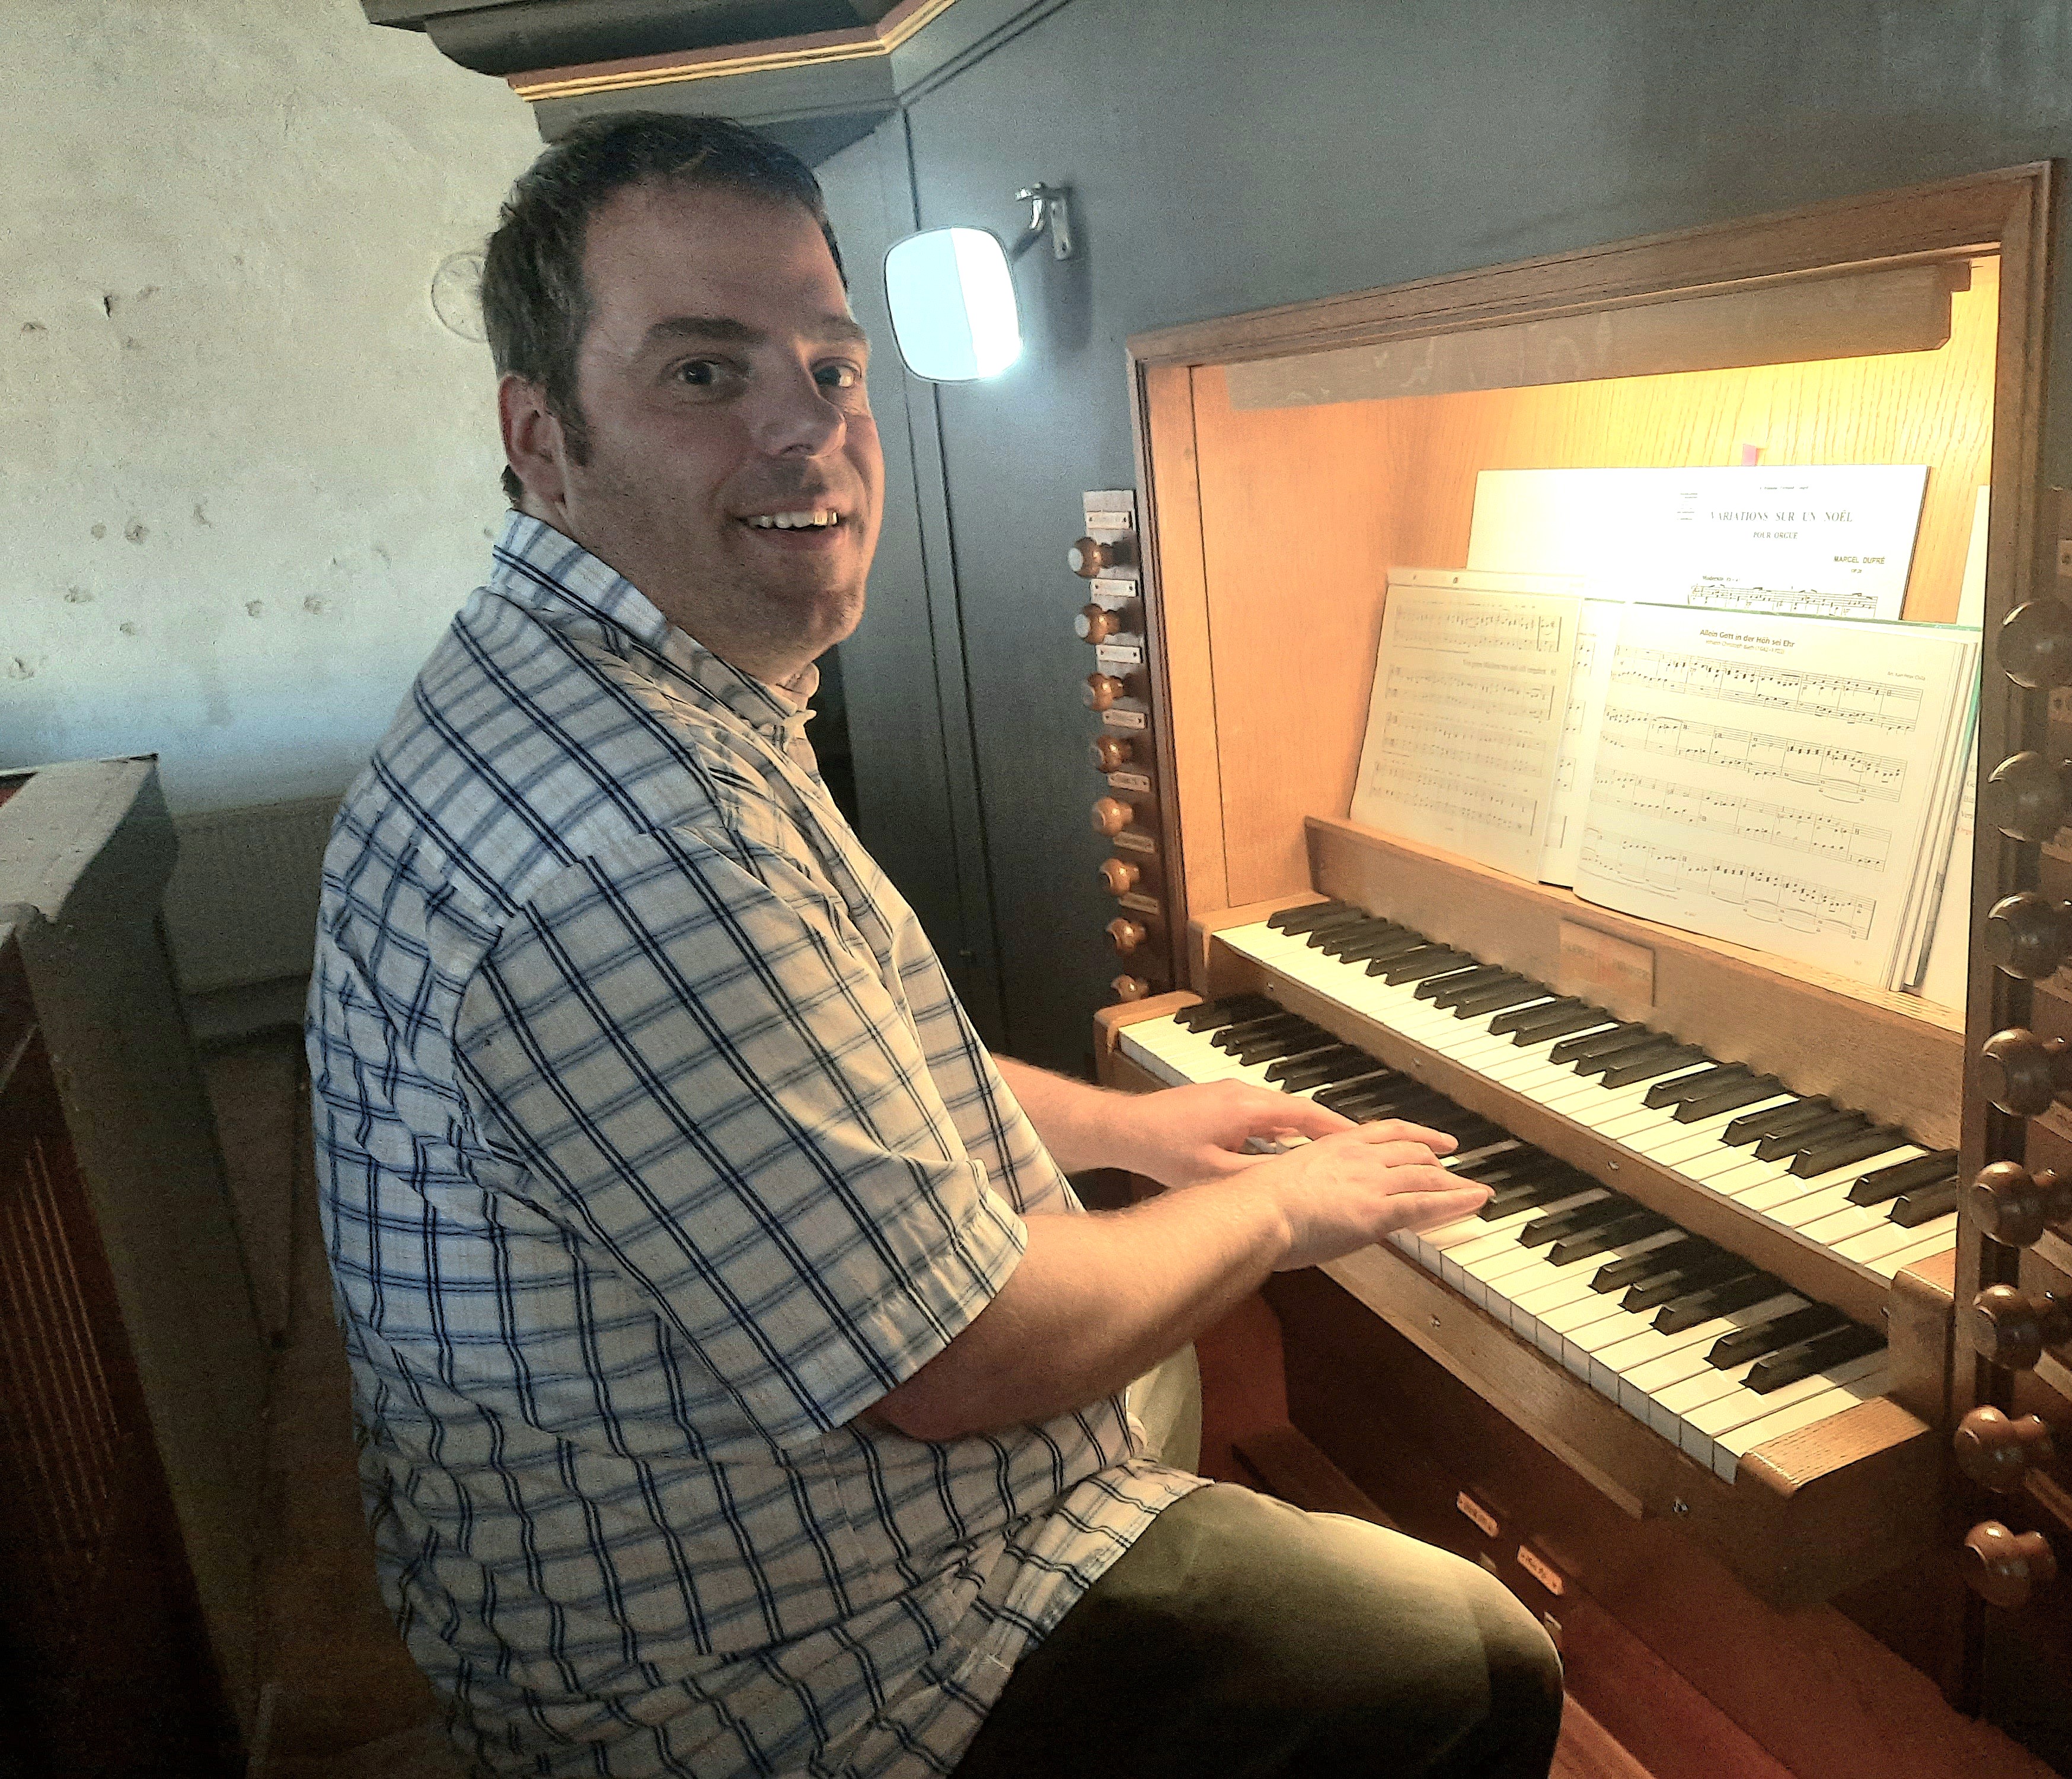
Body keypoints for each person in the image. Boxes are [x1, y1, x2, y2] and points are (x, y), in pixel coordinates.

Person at [307, 111, 1563, 1779]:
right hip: (779, 1675)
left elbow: (815, 1082)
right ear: (543, 436)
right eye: (705, 373)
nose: (807, 430)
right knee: (1464, 1659)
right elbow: (957, 1364)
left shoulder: (616, 691)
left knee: (1161, 1359)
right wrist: (1278, 1206)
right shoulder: (638, 836)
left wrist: (1131, 1130)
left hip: (691, 1545)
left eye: (831, 368)